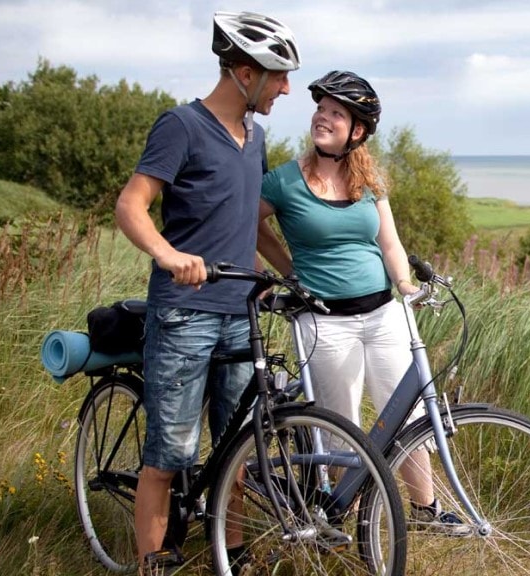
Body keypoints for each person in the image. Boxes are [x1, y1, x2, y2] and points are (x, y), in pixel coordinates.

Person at [113, 11, 299, 575]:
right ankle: (154, 562)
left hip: (239, 316)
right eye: (279, 76)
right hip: (184, 314)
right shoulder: (181, 126)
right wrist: (168, 255)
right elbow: (131, 204)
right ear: (245, 72)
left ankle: (232, 555)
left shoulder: (257, 137)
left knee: (238, 453)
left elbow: (251, 223)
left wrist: (292, 274)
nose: (287, 88)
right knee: (170, 455)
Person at [256, 70, 469, 535]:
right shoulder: (285, 181)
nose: (322, 117)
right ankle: (340, 520)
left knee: (407, 412)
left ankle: (426, 510)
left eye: (336, 113)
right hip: (325, 322)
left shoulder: (368, 181)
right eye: (321, 109)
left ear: (357, 131)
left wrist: (407, 286)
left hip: (382, 313)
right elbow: (253, 223)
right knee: (340, 426)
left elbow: (390, 244)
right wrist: (287, 271)